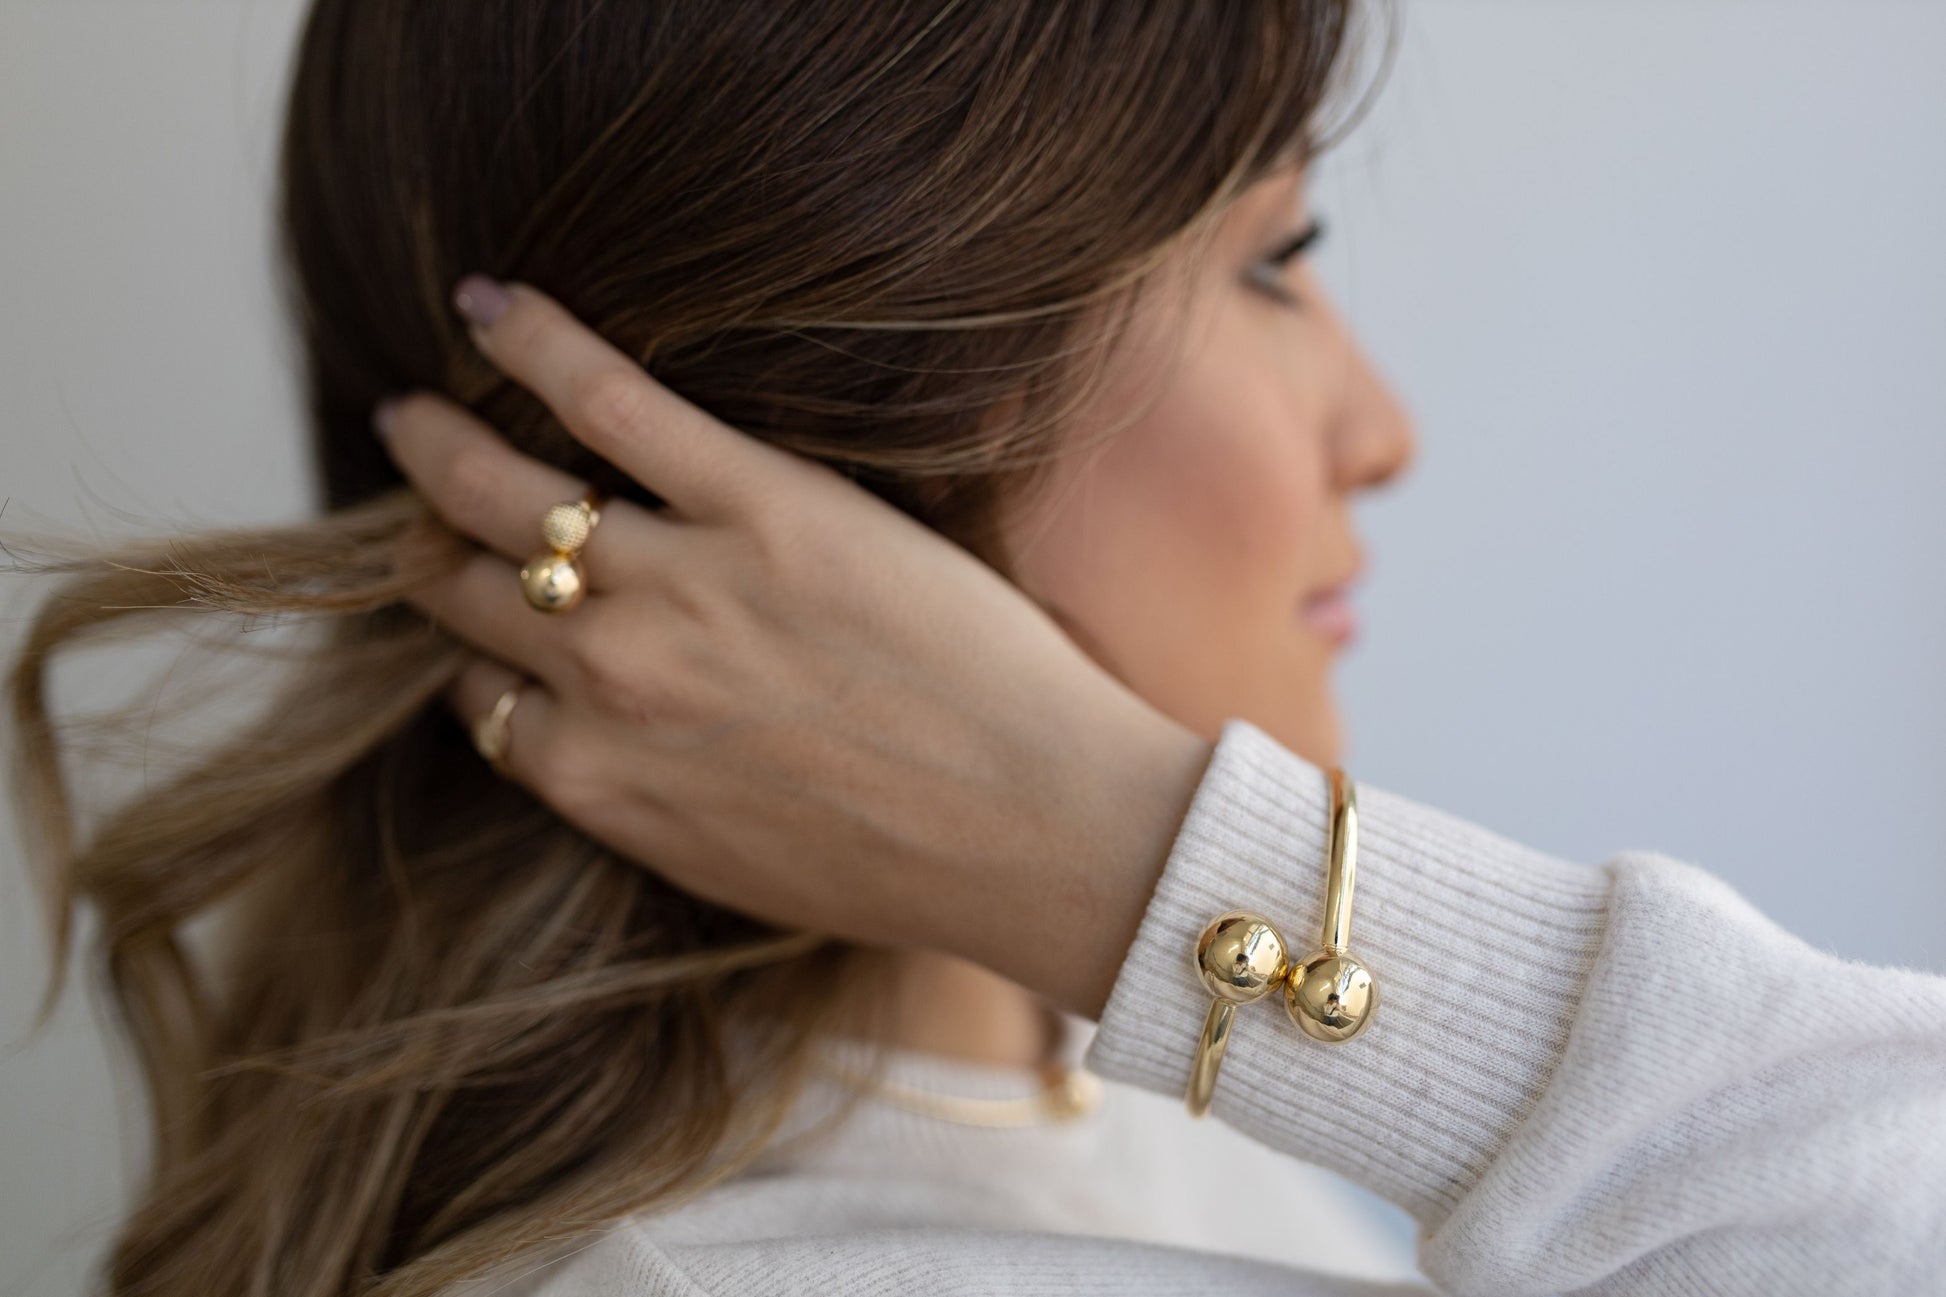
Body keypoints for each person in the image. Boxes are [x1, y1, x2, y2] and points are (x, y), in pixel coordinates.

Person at [5, 2, 1942, 1295]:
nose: (1381, 427)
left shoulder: (1092, 1113)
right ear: (843, 442)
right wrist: (1156, 864)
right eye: (1271, 262)